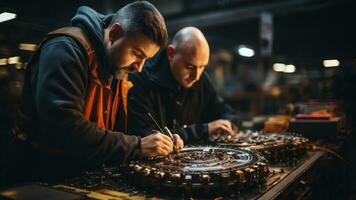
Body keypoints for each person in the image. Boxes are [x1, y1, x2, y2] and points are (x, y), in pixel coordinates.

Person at [0, 1, 183, 185]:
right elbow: (66, 129)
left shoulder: (115, 66)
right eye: (137, 54)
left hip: (75, 173)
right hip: (37, 178)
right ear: (114, 33)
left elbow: (114, 131)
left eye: (146, 59)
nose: (139, 67)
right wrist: (137, 146)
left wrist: (155, 140)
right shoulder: (65, 50)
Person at [127, 27, 236, 144]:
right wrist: (204, 130)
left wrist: (227, 123)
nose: (196, 76)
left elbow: (225, 112)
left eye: (202, 67)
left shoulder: (199, 77)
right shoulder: (141, 78)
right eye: (189, 67)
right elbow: (148, 138)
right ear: (171, 53)